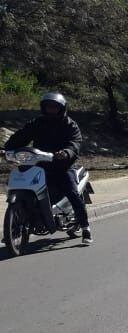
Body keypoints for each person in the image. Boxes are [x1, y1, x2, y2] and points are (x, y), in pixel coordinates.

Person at [4, 92, 92, 244]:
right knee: (27, 188)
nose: (51, 110)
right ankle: (18, 226)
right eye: (48, 107)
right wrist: (6, 149)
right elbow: (21, 136)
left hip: (62, 166)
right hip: (40, 165)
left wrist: (66, 153)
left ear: (62, 108)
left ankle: (85, 228)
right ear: (43, 108)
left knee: (72, 193)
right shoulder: (37, 123)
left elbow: (75, 143)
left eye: (54, 107)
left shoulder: (70, 125)